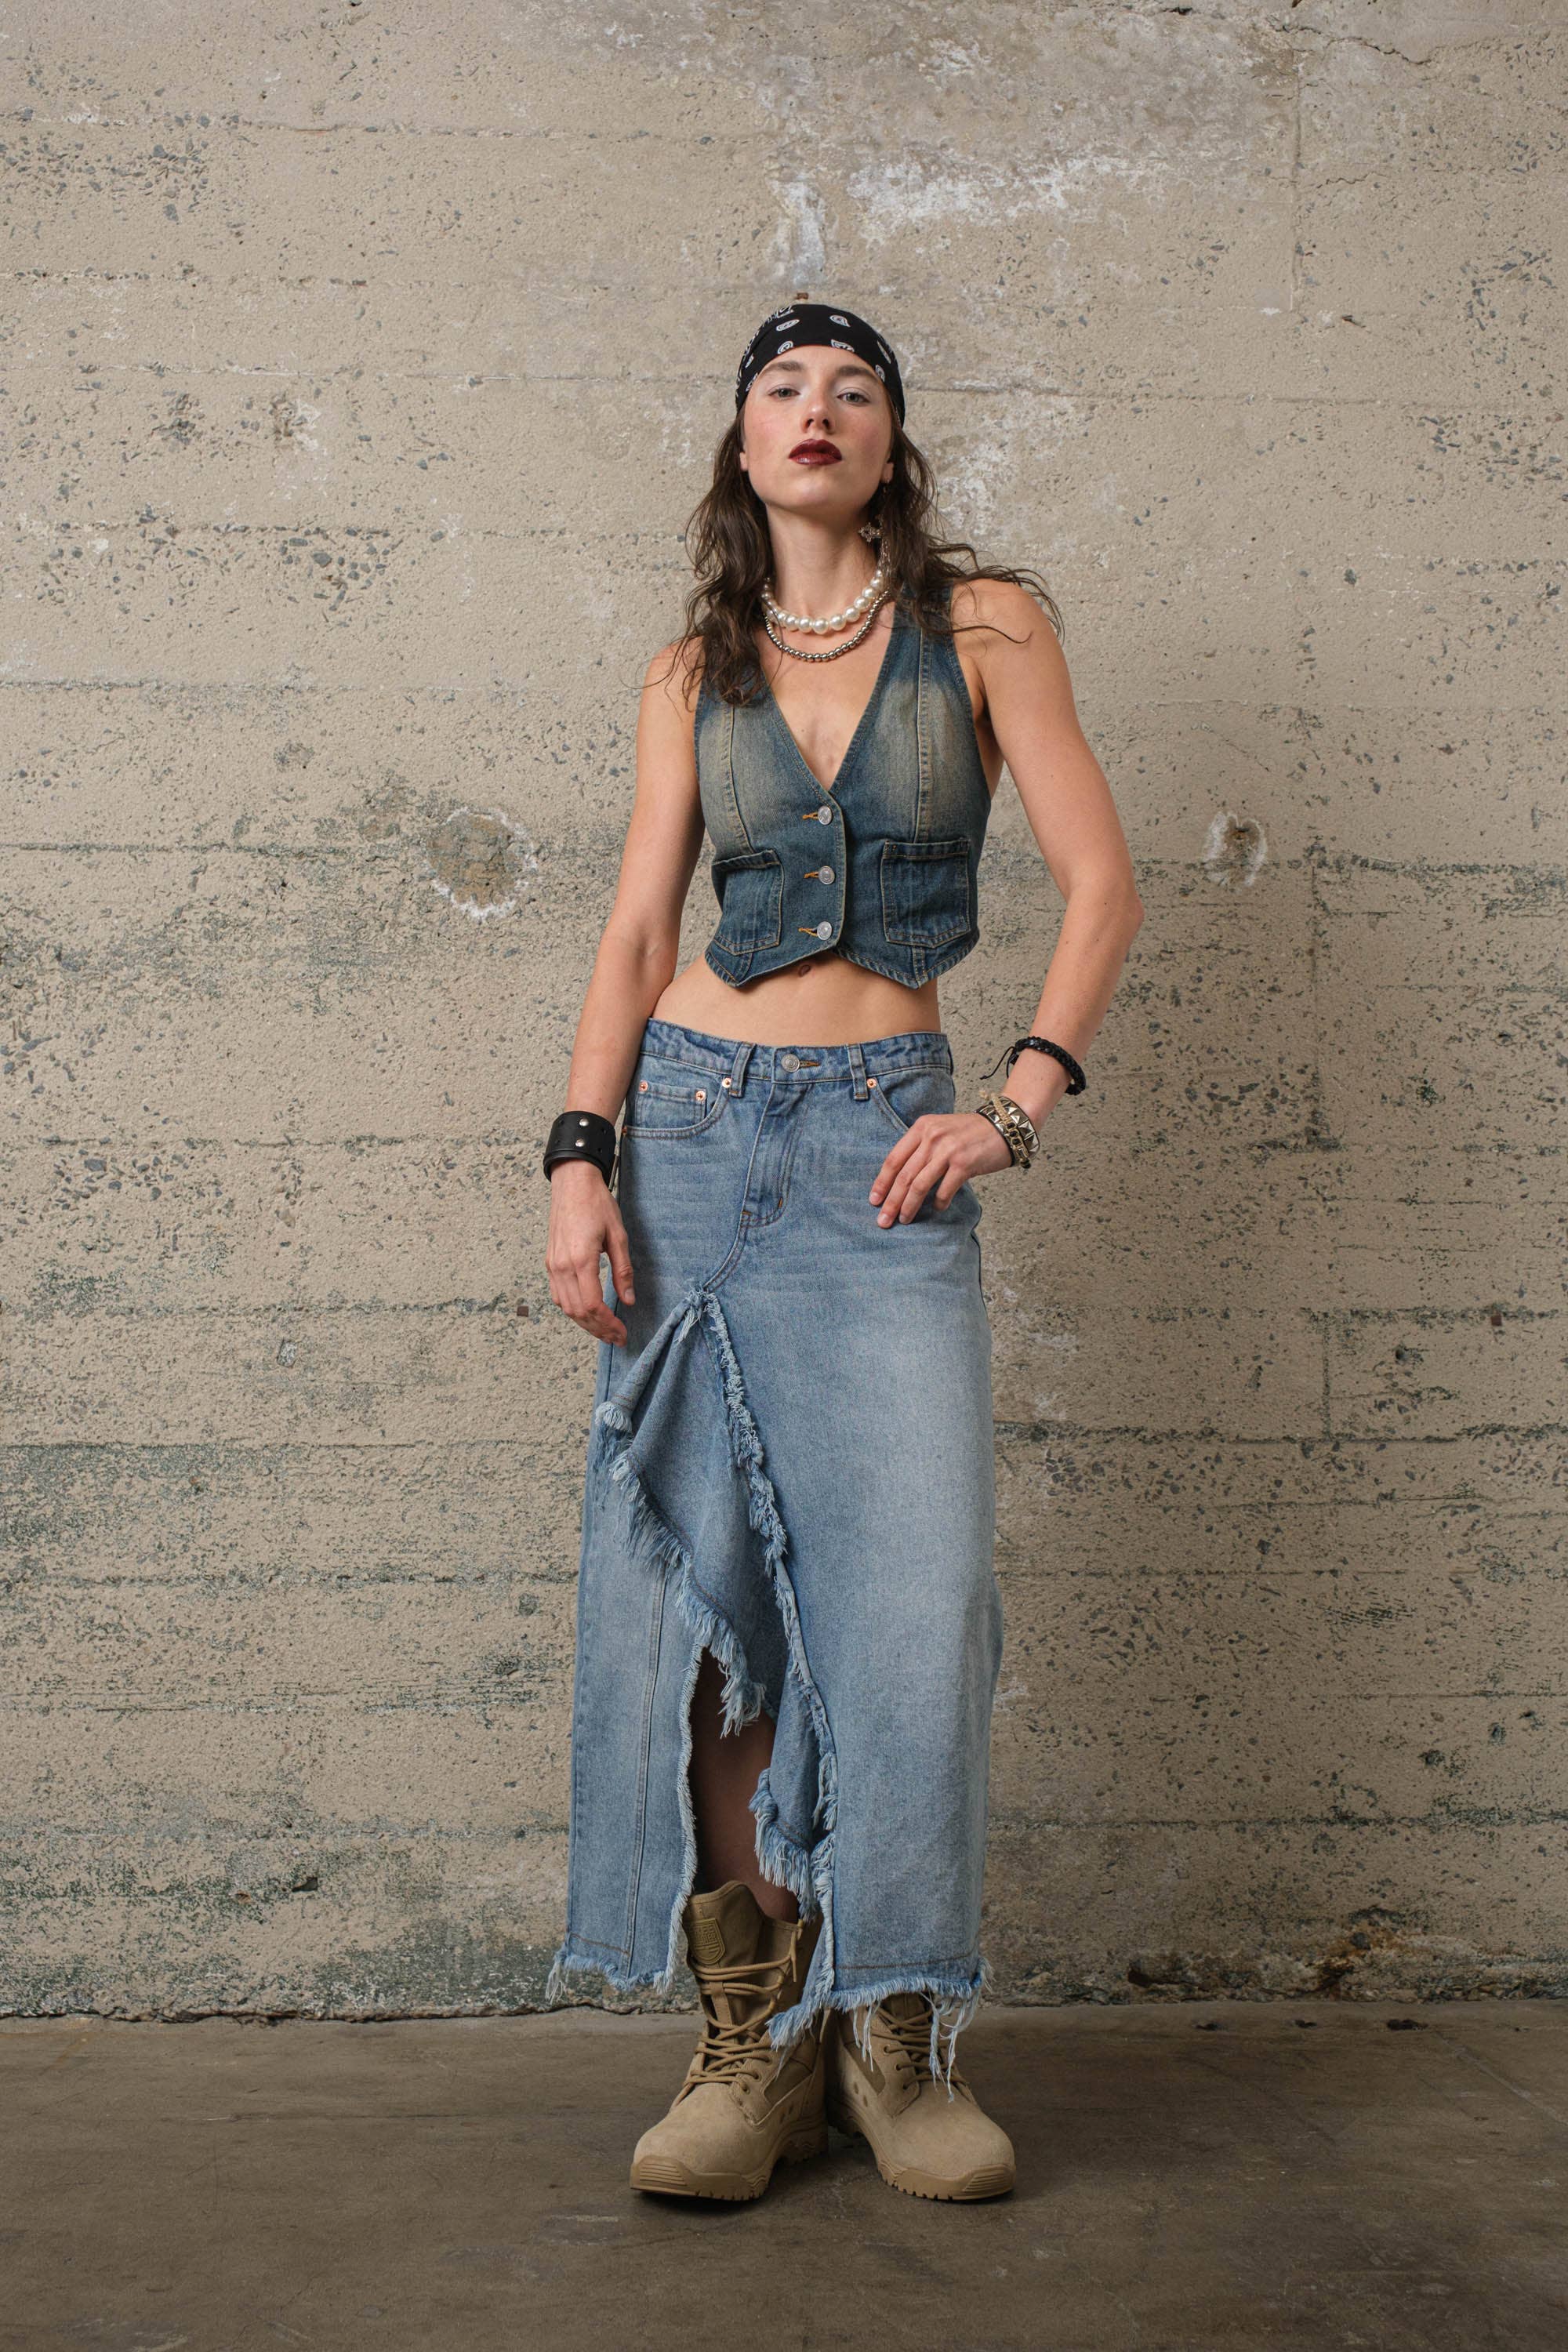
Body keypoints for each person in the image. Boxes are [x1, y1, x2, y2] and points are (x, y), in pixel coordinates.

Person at [541, 296, 1143, 2205]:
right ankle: (757, 2043)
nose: (817, 410)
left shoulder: (987, 628)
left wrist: (1015, 1103)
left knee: (914, 1604)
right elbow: (639, 936)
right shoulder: (689, 669)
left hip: (884, 1145)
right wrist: (578, 1160)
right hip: (691, 1145)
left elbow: (1101, 883)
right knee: (717, 1605)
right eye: (784, 388)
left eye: (853, 388)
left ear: (891, 441)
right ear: (743, 442)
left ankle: (896, 2024)